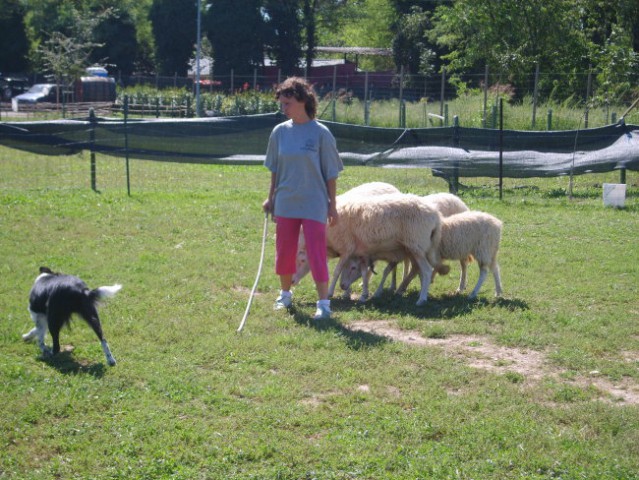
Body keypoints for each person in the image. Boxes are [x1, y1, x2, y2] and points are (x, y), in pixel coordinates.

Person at [262, 77, 343, 320]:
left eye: (287, 103)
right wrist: (271, 198)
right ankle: (285, 295)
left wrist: (333, 205)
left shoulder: (321, 134)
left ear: (302, 101)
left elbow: (331, 172)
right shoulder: (279, 133)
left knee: (316, 252)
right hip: (286, 202)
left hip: (314, 203)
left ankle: (323, 303)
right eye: (282, 103)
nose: (283, 108)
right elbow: (275, 169)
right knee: (284, 251)